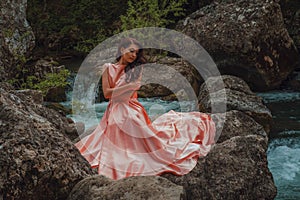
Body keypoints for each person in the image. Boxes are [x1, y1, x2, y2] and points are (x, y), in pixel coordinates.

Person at [75, 37, 215, 180]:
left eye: (136, 53)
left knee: (130, 120)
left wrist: (118, 90)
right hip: (114, 108)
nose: (133, 55)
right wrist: (128, 86)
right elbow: (106, 94)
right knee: (118, 123)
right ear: (122, 49)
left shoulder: (136, 69)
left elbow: (123, 96)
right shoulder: (108, 68)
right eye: (131, 51)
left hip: (131, 107)